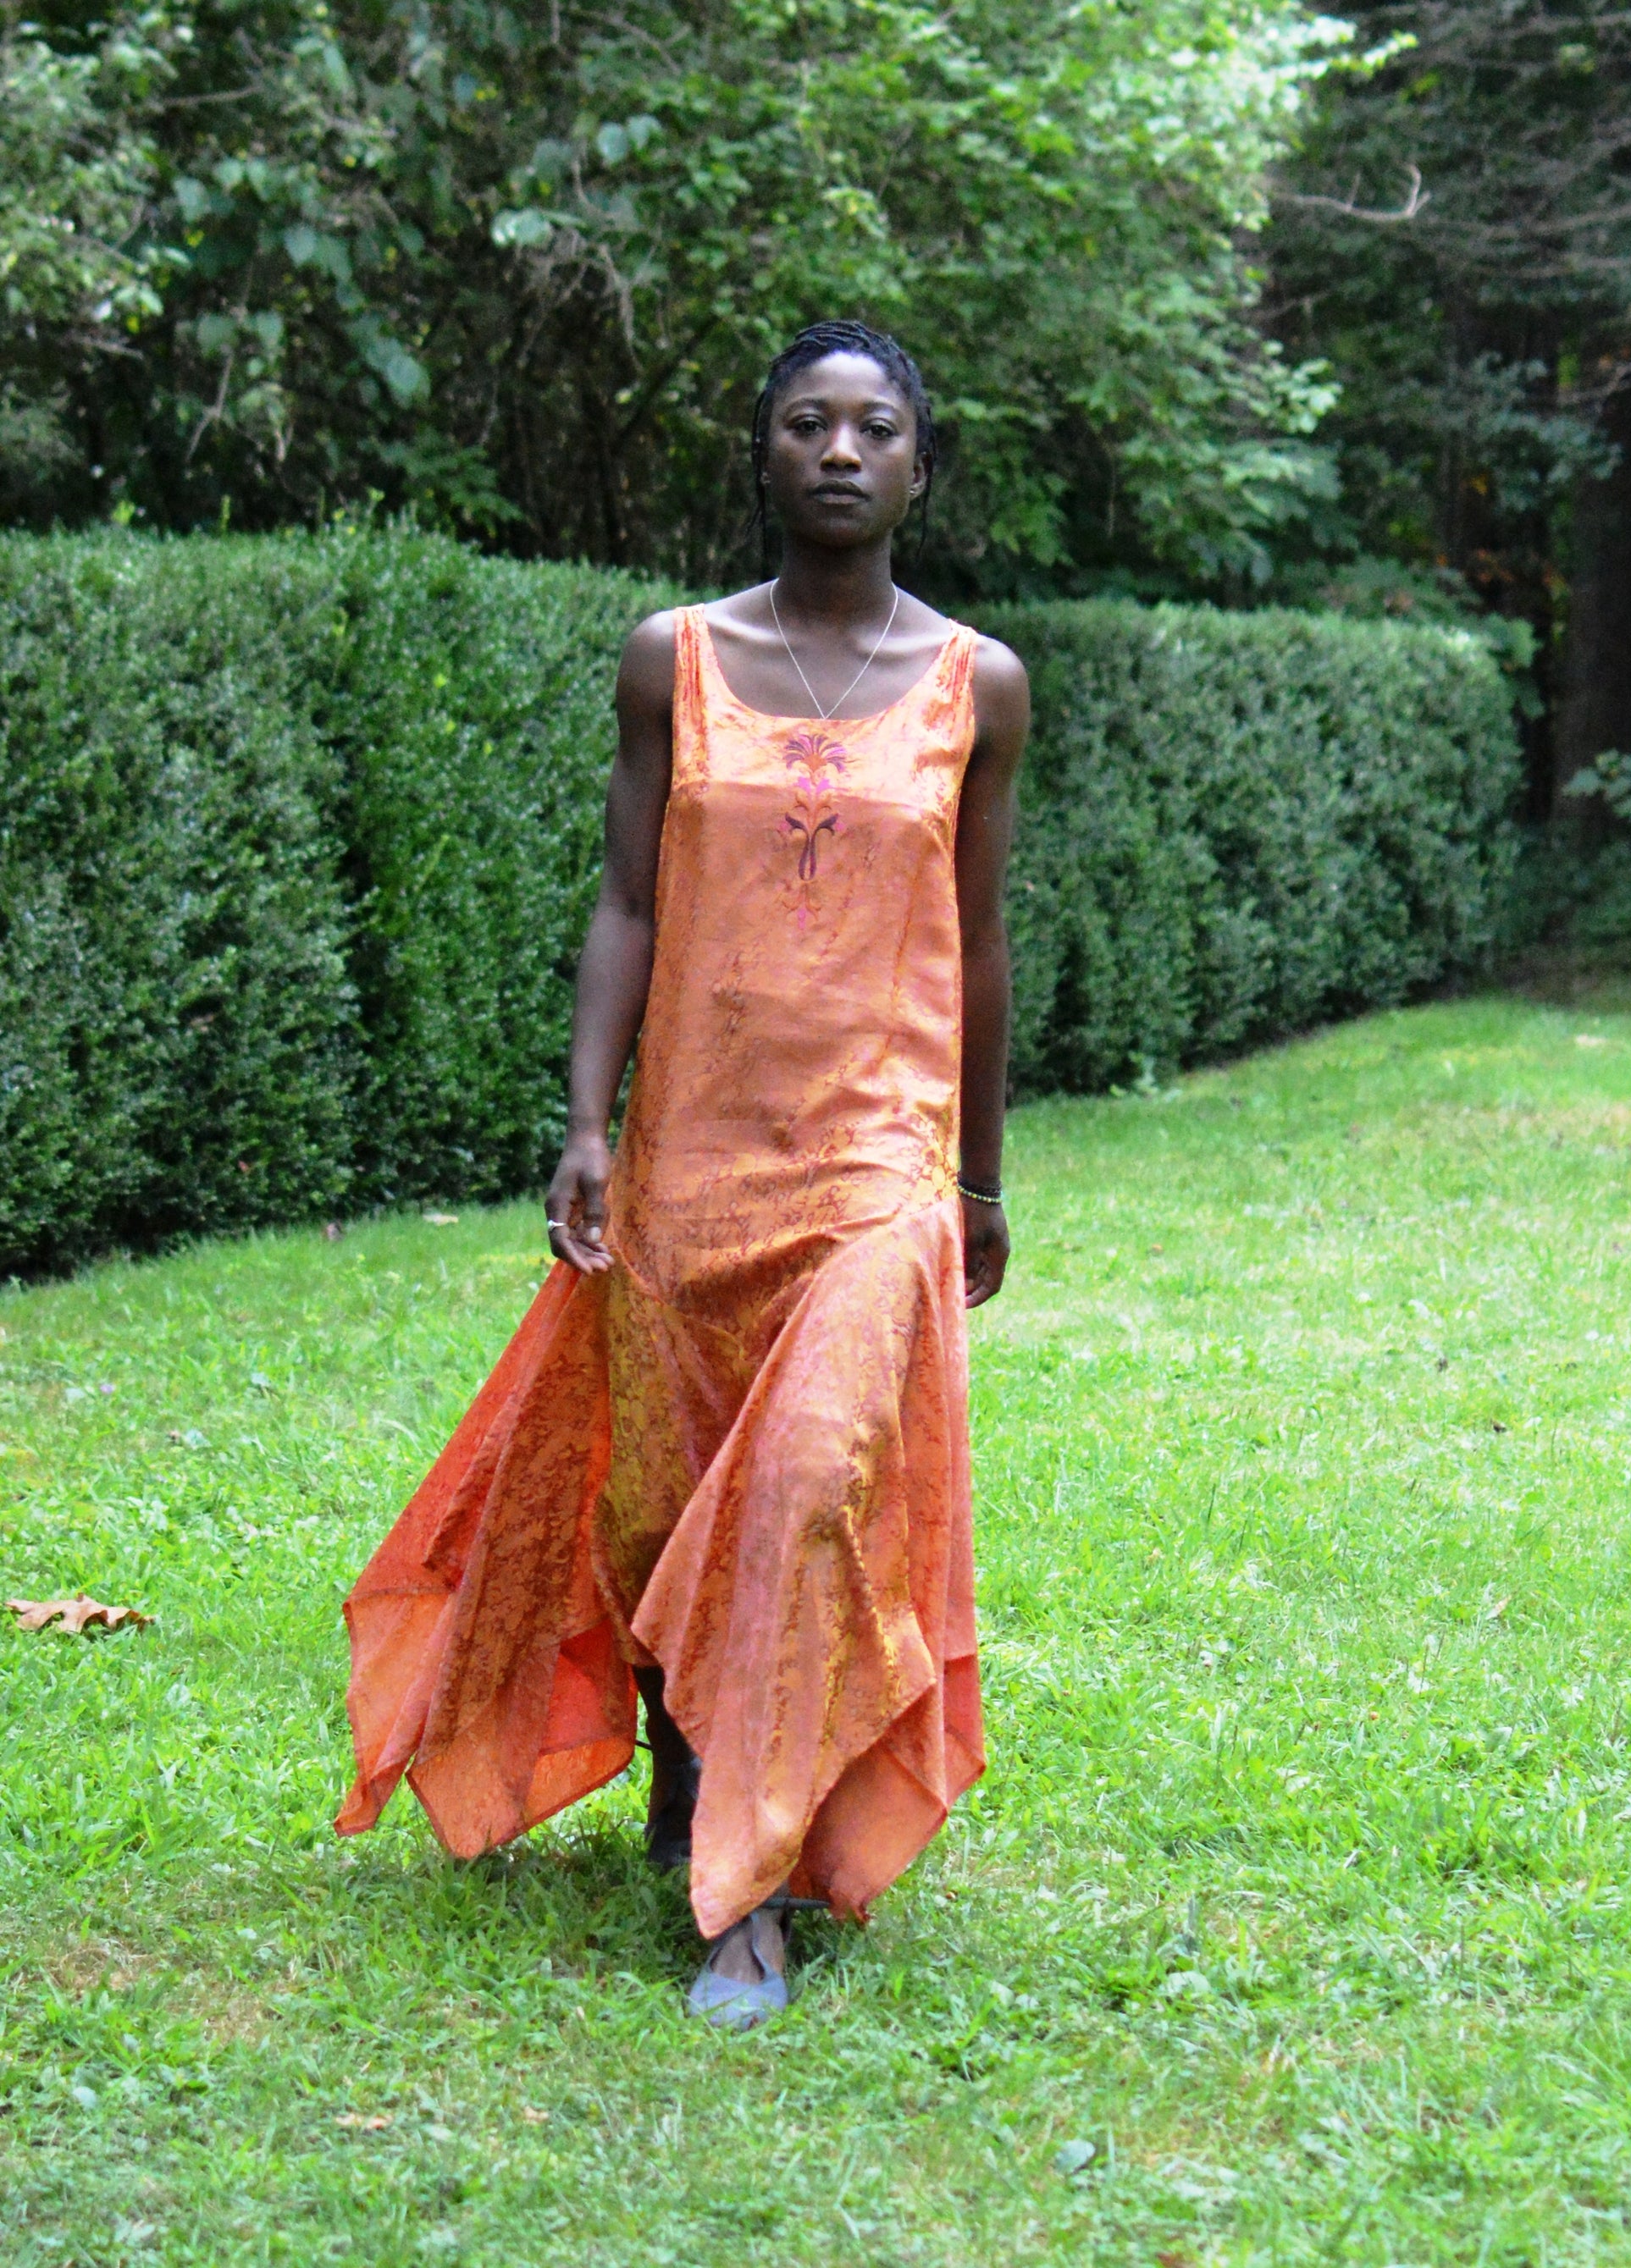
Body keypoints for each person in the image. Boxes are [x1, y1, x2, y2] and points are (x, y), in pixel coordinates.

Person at [334, 318, 1030, 2029]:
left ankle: (749, 1882)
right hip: (690, 1150)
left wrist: (981, 1181)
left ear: (921, 468)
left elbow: (980, 934)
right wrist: (587, 1123)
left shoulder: (976, 683)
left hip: (874, 1156)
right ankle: (689, 1748)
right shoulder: (674, 659)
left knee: (803, 1486)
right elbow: (628, 904)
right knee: (670, 1488)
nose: (842, 451)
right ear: (764, 453)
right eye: (808, 423)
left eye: (877, 428)